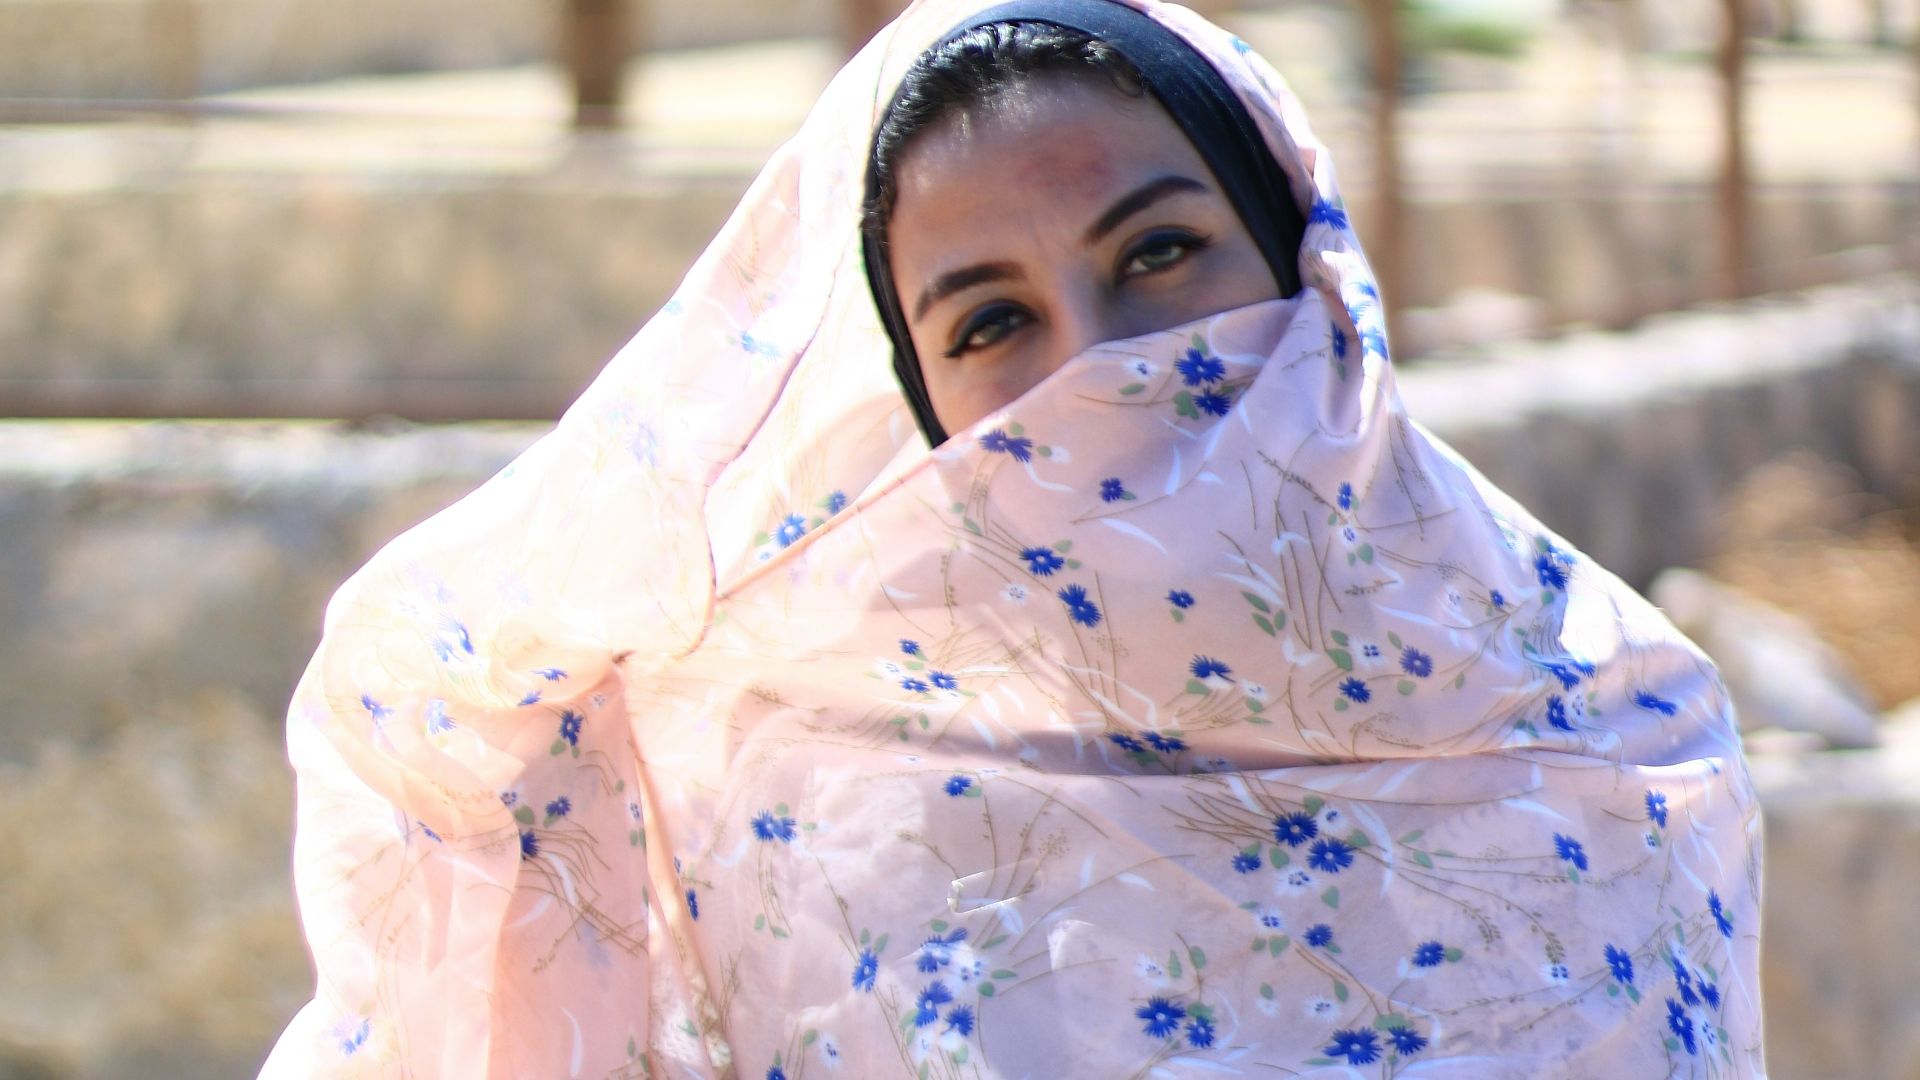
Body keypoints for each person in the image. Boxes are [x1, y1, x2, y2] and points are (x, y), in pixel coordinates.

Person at [262, 1, 1764, 1076]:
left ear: (1305, 262)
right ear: (921, 399)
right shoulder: (793, 820)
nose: (1092, 371)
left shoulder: (1608, 739)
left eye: (1160, 253)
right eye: (991, 321)